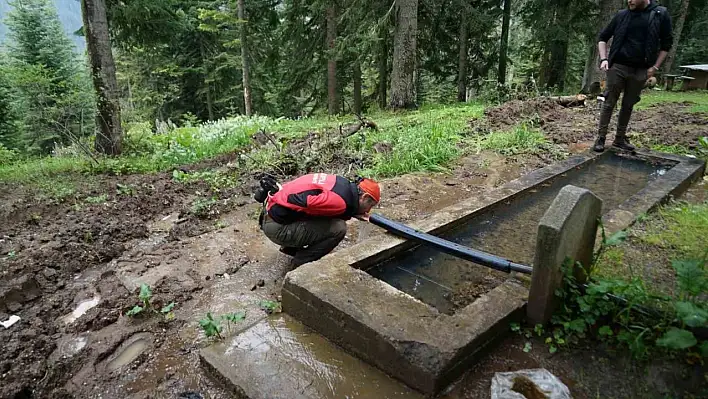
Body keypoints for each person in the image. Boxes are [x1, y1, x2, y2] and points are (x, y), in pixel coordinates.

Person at [594, 0, 673, 153]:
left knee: (628, 104)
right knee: (609, 102)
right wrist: (604, 59)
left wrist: (655, 67)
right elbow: (603, 38)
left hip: (641, 69)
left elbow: (666, 45)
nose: (629, 0)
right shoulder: (622, 15)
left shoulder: (660, 14)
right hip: (618, 66)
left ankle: (619, 139)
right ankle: (601, 138)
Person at [259, 173, 380, 268]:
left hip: (271, 214)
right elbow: (295, 200)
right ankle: (301, 263)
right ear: (364, 197)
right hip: (276, 227)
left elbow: (319, 204)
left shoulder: (340, 183)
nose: (369, 210)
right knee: (339, 228)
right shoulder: (340, 202)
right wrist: (277, 196)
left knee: (328, 218)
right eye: (371, 205)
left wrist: (353, 213)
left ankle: (291, 249)